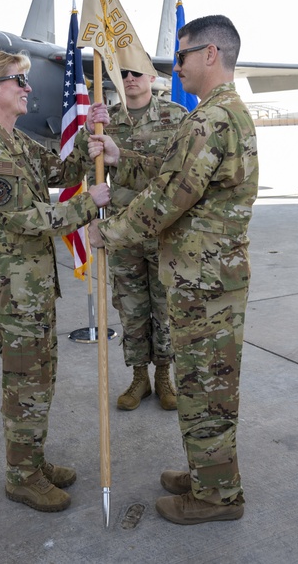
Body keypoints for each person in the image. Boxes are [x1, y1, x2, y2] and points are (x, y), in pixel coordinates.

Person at [88, 15, 257, 525]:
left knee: (207, 385)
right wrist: (122, 156)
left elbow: (168, 198)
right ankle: (211, 474)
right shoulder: (214, 115)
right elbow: (175, 174)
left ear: (210, 55)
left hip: (203, 281)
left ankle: (216, 498)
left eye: (181, 56)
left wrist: (109, 231)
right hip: (203, 277)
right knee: (205, 382)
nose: (175, 65)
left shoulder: (211, 120)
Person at [0, 50, 111, 513]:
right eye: (18, 81)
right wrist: (90, 205)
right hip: (16, 294)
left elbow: (62, 171)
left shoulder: (14, 141)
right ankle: (21, 477)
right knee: (25, 384)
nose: (27, 88)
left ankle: (32, 461)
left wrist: (91, 133)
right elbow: (23, 218)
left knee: (40, 379)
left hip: (35, 289)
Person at [86, 69, 187, 411]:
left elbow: (181, 173)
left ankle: (164, 376)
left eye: (137, 72)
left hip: (162, 230)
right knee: (131, 310)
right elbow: (93, 175)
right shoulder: (106, 122)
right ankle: (140, 377)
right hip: (122, 233)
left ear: (151, 76)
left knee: (165, 309)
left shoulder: (175, 116)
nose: (130, 78)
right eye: (124, 73)